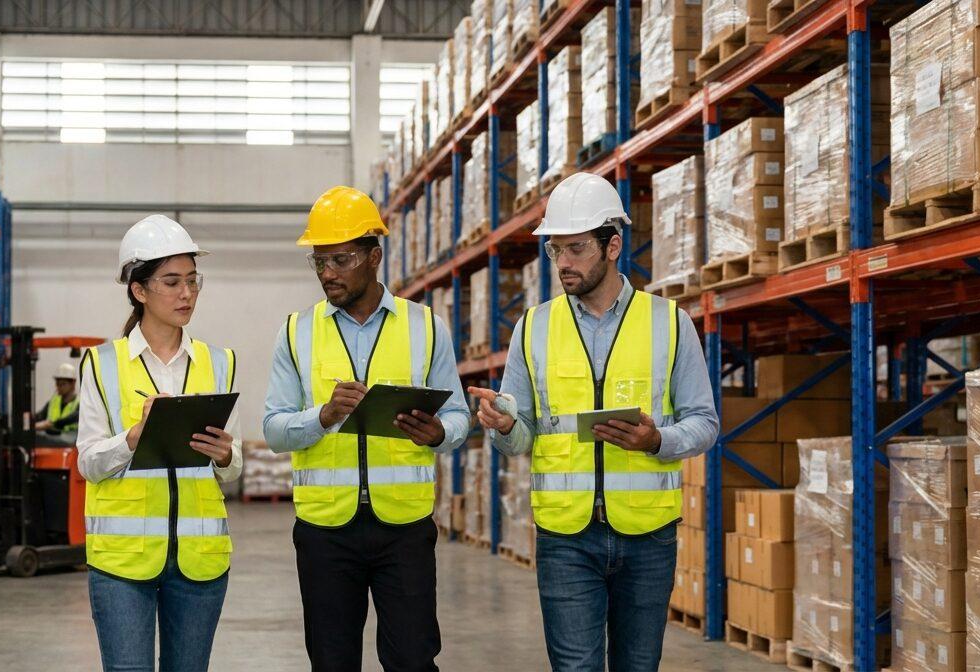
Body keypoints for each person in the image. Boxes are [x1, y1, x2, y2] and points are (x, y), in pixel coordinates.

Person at [467, 173, 719, 671]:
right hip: (565, 535)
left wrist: (657, 440)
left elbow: (704, 422)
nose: (563, 262)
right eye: (555, 250)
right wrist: (503, 425)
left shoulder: (670, 323)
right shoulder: (533, 327)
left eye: (576, 248)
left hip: (648, 534)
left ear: (612, 246)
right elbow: (522, 437)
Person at [263, 185, 470, 672]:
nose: (327, 273)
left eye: (341, 260)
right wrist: (322, 416)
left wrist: (438, 433)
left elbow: (459, 417)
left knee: (413, 660)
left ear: (374, 257)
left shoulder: (426, 327)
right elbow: (273, 429)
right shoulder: (296, 332)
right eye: (319, 262)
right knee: (332, 662)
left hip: (404, 528)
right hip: (325, 531)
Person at [76, 214, 243, 672]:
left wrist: (225, 455)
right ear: (139, 290)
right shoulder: (101, 364)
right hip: (123, 563)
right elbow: (88, 462)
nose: (186, 293)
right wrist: (132, 438)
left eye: (192, 280)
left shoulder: (220, 362)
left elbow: (234, 466)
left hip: (200, 561)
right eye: (171, 282)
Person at [33, 362, 79, 433]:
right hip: (53, 439)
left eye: (63, 384)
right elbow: (39, 416)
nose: (59, 387)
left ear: (73, 383)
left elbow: (73, 418)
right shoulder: (53, 402)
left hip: (72, 439)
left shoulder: (80, 403)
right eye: (57, 384)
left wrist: (51, 424)